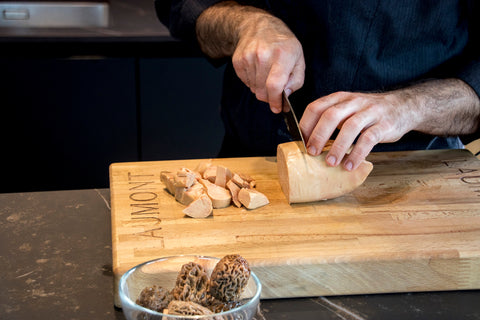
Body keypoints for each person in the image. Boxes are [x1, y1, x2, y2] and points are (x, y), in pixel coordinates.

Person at [156, 0, 480, 171]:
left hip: (413, 169)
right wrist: (245, 23)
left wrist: (410, 106)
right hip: (250, 164)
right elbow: (182, 4)